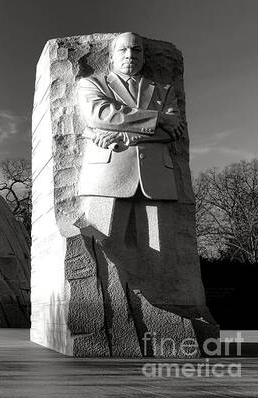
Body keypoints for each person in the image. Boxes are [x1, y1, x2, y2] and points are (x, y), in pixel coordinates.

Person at [76, 32, 188, 306]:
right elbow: (102, 115)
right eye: (123, 50)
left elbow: (174, 132)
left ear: (143, 56)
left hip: (156, 178)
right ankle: (108, 306)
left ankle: (159, 310)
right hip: (107, 174)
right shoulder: (93, 84)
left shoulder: (163, 91)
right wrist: (157, 119)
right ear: (111, 55)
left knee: (160, 252)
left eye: (136, 51)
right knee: (102, 243)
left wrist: (124, 135)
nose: (130, 56)